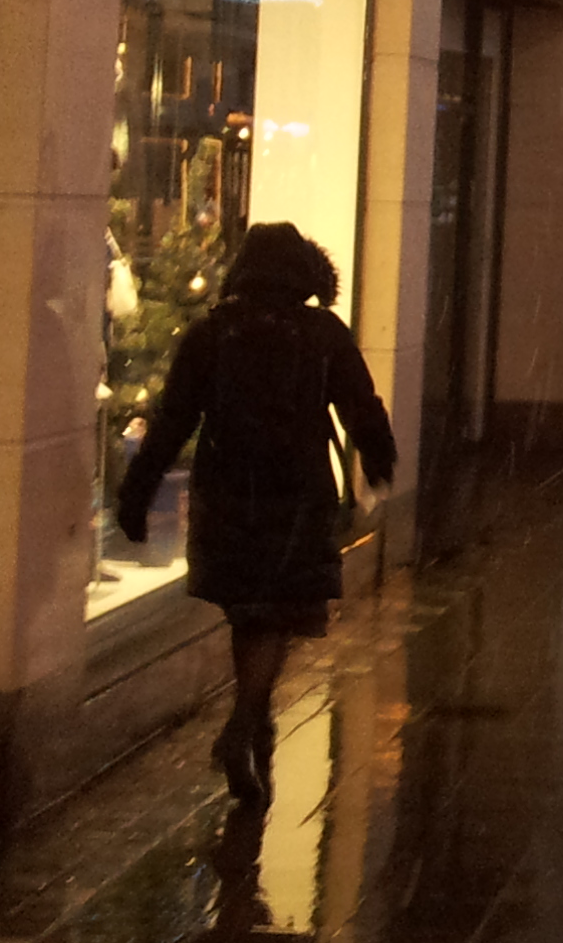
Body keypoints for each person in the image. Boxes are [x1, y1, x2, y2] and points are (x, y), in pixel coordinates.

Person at [117, 223, 394, 804]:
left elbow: (173, 420)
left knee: (251, 614)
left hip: (229, 493)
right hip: (297, 494)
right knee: (276, 612)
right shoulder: (321, 334)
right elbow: (360, 405)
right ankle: (244, 725)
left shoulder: (213, 333)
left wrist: (138, 490)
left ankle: (254, 721)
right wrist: (378, 456)